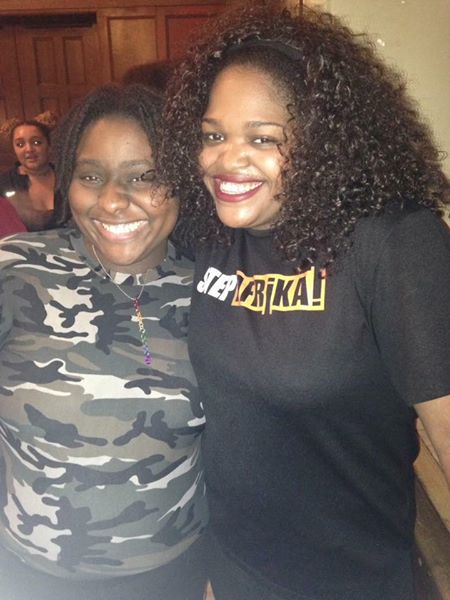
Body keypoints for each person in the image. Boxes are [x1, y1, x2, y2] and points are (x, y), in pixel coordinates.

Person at [159, 3, 450, 599]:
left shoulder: (393, 242)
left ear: (324, 142)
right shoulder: (212, 234)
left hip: (351, 580)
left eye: (262, 138)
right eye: (213, 135)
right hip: (235, 569)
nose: (226, 160)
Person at [0, 84, 208, 600]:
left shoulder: (213, 288)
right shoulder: (17, 270)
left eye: (144, 176)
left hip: (172, 575)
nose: (113, 200)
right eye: (91, 176)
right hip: (30, 577)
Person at [0, 116, 56, 231]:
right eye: (20, 144)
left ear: (49, 145)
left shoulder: (67, 176)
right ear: (14, 149)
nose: (29, 149)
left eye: (36, 142)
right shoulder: (3, 184)